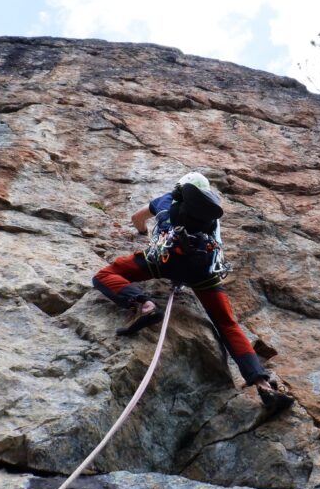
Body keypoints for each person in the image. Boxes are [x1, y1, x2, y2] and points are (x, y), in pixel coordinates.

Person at [92, 172, 292, 409]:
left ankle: (143, 305)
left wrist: (142, 232)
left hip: (163, 260)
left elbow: (137, 218)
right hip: (202, 272)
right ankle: (263, 383)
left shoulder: (166, 200)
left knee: (104, 276)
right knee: (227, 324)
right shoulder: (210, 218)